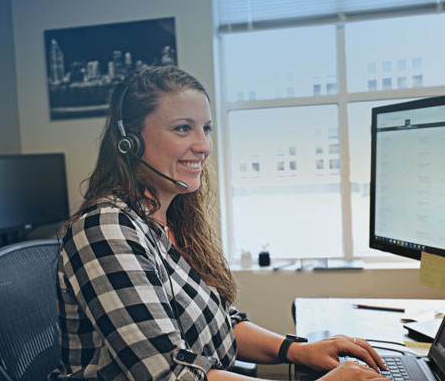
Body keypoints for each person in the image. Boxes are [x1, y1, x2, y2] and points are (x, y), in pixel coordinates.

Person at [50, 66, 389, 380]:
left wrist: (299, 350)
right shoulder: (106, 229)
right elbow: (170, 375)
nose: (203, 145)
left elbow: (222, 323)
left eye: (206, 128)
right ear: (130, 141)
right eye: (183, 128)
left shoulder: (171, 221)